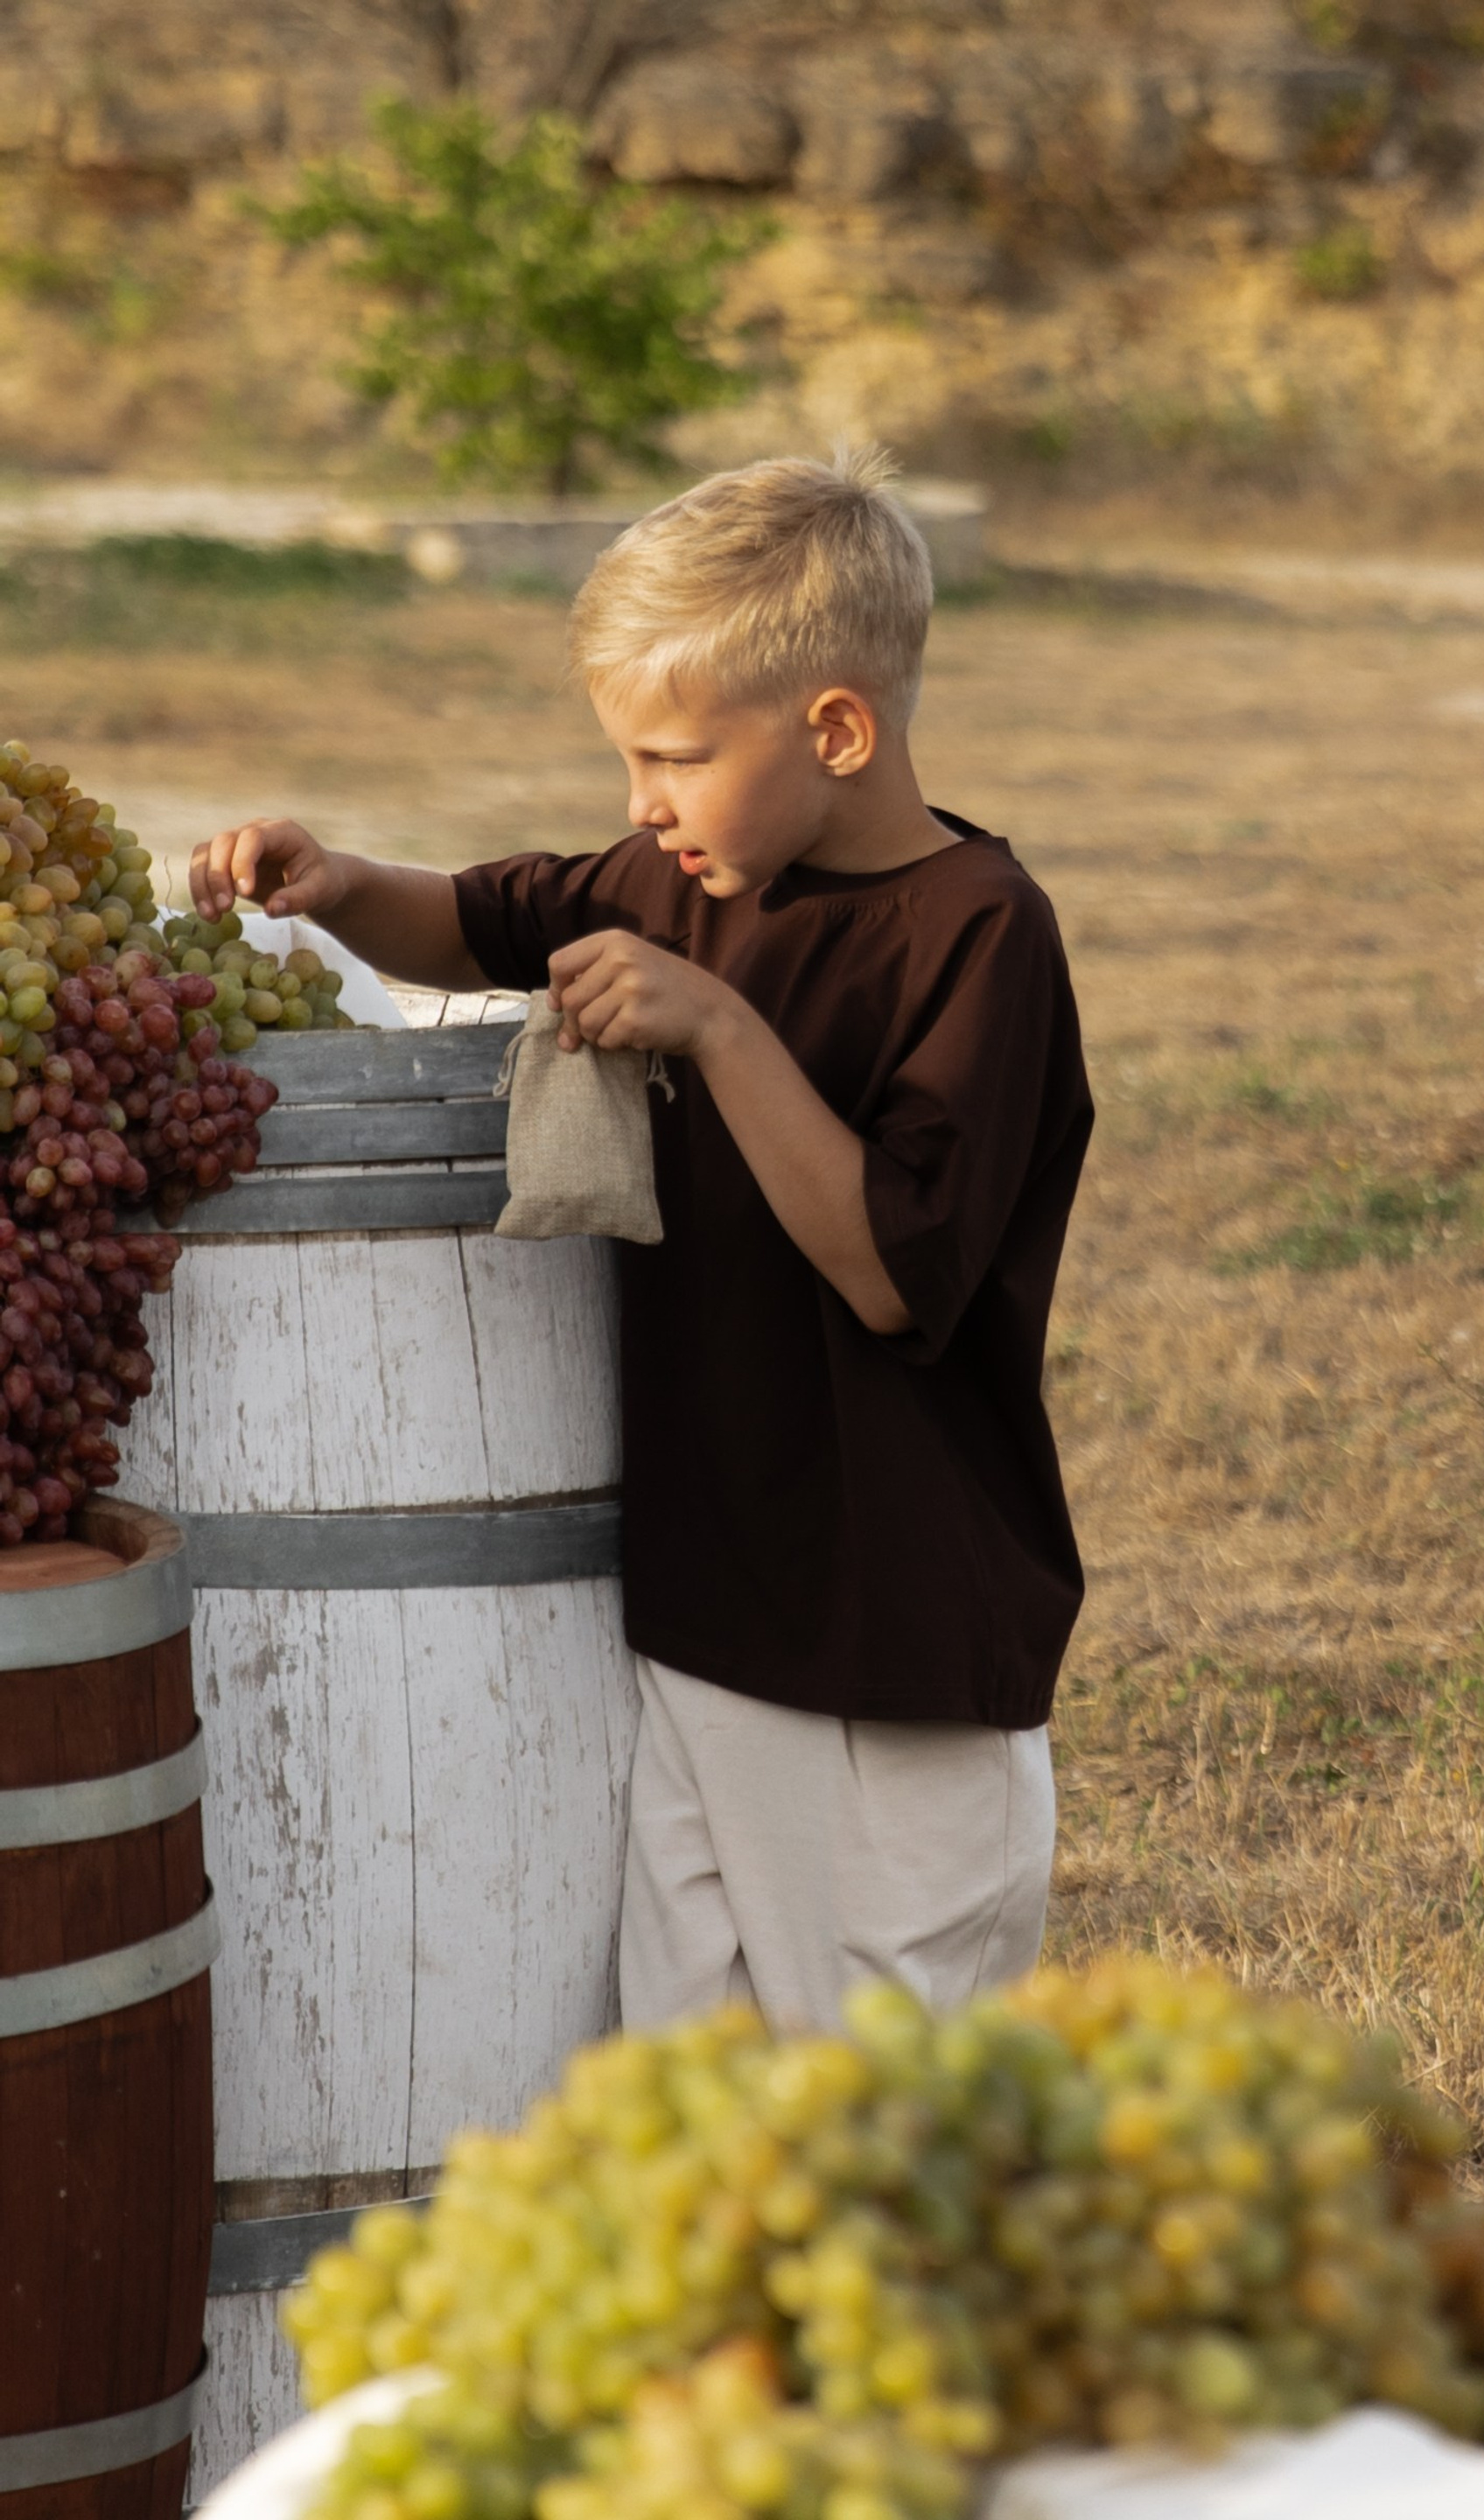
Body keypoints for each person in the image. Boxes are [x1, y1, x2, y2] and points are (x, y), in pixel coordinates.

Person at [189, 447, 1093, 2034]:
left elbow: (897, 1269)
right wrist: (336, 886)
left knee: (881, 2104)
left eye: (671, 756)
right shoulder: (677, 881)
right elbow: (475, 916)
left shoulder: (978, 934)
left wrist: (722, 1034)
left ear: (837, 729)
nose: (640, 804)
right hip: (708, 1617)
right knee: (689, 2083)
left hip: (894, 1641)